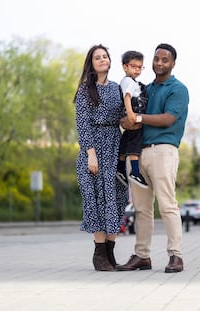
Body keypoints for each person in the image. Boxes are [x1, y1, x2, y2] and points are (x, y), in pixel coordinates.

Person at [116, 43, 189, 273]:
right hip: (137, 152)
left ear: (173, 63)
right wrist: (125, 120)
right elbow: (129, 113)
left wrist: (137, 118)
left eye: (164, 60)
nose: (159, 63)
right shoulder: (144, 88)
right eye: (156, 59)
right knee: (141, 209)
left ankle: (175, 255)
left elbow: (168, 119)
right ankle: (142, 256)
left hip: (163, 151)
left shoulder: (178, 89)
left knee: (167, 205)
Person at [74, 44, 128, 271]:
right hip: (94, 149)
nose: (102, 59)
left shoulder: (117, 88)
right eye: (98, 57)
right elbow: (82, 124)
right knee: (95, 199)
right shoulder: (85, 90)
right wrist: (91, 154)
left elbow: (125, 115)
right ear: (91, 63)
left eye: (105, 56)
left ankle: (110, 251)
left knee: (115, 197)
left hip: (115, 144)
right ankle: (98, 254)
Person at [116, 50, 149, 189]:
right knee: (135, 142)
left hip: (132, 114)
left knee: (125, 142)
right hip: (134, 115)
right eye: (133, 66)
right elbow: (127, 96)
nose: (137, 69)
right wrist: (131, 114)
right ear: (125, 67)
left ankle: (120, 169)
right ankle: (135, 172)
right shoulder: (128, 81)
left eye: (140, 67)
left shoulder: (134, 82)